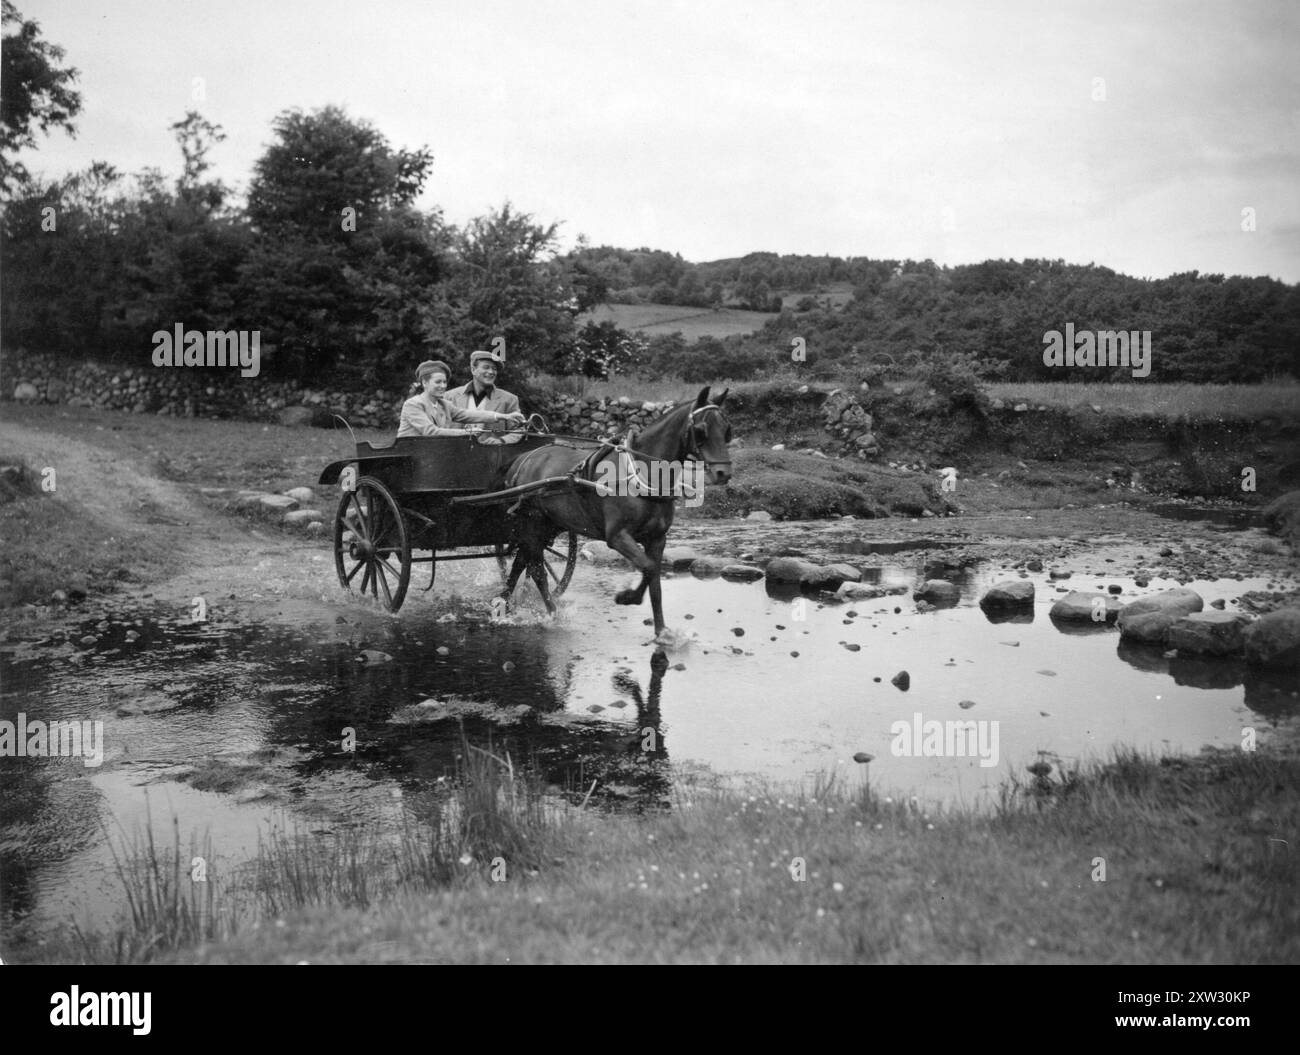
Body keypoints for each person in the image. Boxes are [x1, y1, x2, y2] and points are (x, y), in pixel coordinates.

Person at [397, 360, 525, 438]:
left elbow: (469, 414)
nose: (443, 386)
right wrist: (467, 432)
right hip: (411, 459)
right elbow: (430, 431)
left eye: (444, 382)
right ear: (425, 383)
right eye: (438, 382)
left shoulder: (444, 404)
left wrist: (504, 417)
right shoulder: (413, 404)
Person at [443, 350, 523, 444]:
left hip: (492, 456)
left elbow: (519, 431)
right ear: (473, 370)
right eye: (486, 367)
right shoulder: (449, 396)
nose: (491, 372)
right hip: (455, 454)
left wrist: (501, 441)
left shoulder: (509, 399)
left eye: (494, 369)